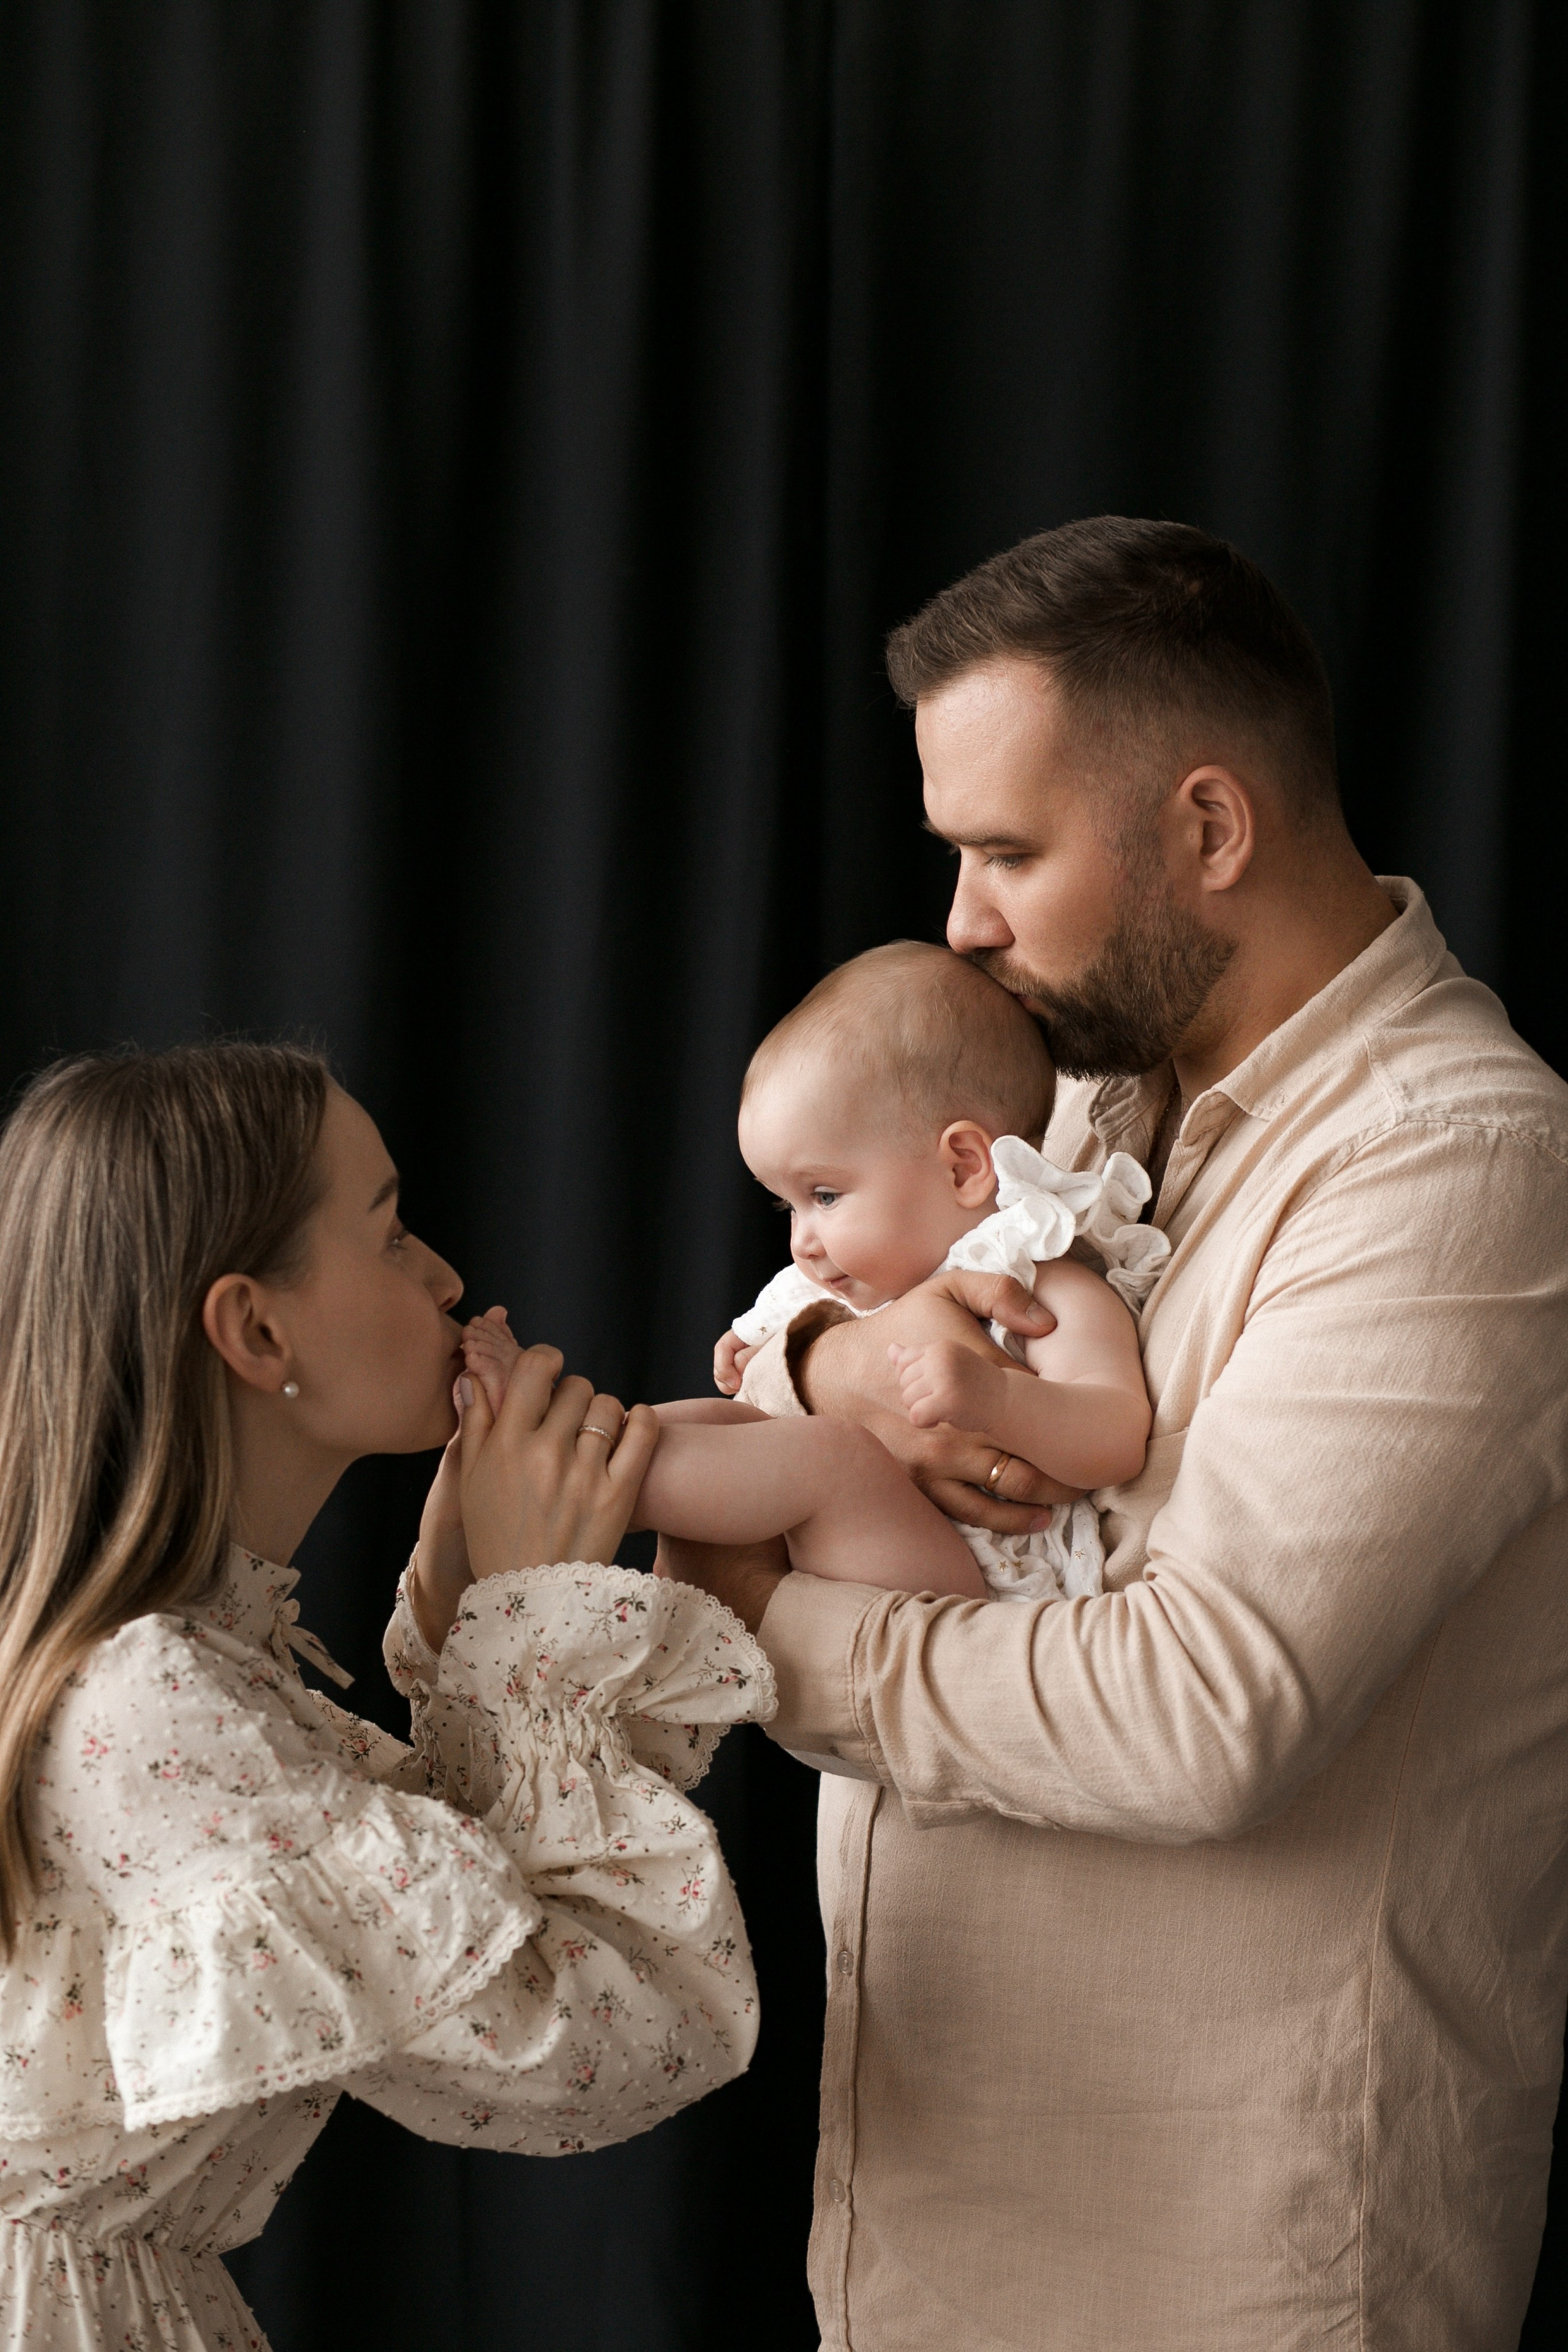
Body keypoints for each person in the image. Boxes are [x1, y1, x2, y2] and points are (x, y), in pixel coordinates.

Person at [660, 518, 1568, 2351]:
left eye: (1006, 852)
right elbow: (806, 1332)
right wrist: (841, 1359)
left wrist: (747, 1627)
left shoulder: (1458, 1161)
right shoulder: (1064, 1096)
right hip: (932, 2229)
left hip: (1237, 2270)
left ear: (1210, 831)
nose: (960, 923)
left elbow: (1201, 1713)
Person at [0, 1042, 774, 2352]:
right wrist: (528, 1624)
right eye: (394, 1232)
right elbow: (608, 2042)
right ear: (255, 1329)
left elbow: (462, 1898)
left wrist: (468, 1598)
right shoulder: (154, 1701)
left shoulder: (200, 1672)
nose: (449, 1278)